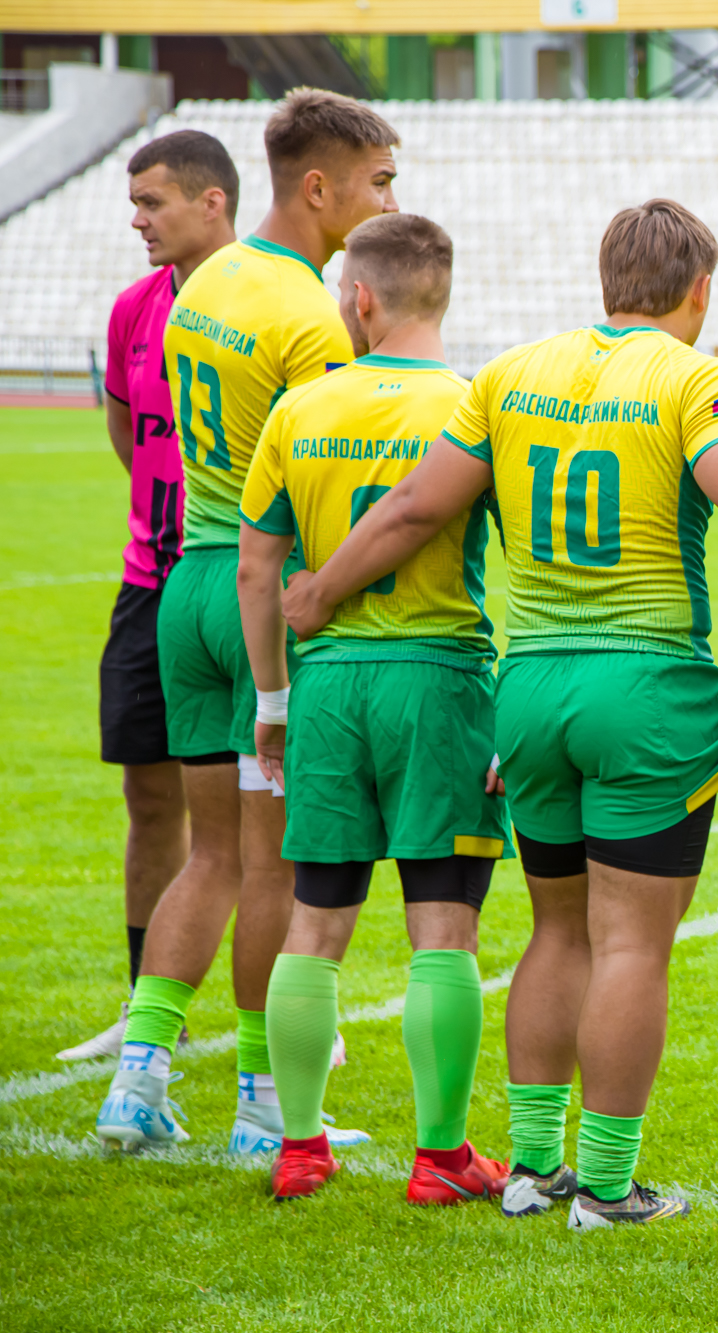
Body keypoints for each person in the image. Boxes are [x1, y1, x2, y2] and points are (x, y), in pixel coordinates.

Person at [282, 198, 718, 1232]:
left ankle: (531, 1166)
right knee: (632, 944)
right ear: (700, 291)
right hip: (642, 690)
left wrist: (321, 591)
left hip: (529, 691)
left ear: (606, 277)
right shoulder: (698, 381)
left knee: (556, 932)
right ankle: (605, 1184)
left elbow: (415, 506)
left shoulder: (508, 374)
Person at [95, 88, 399, 1156]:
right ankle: (264, 1106)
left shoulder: (203, 283)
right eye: (379, 182)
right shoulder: (311, 316)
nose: (388, 202)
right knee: (272, 865)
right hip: (262, 590)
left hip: (186, 582)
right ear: (318, 187)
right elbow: (327, 476)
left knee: (210, 855)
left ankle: (137, 1079)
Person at [236, 213, 513, 1203]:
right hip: (438, 680)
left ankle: (299, 1147)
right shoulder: (475, 404)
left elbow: (257, 568)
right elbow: (527, 559)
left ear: (359, 297)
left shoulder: (300, 407)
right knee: (443, 930)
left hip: (329, 686)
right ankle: (440, 1159)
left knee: (314, 925)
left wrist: (274, 699)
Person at [61, 131, 238, 1063]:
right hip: (150, 583)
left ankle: (293, 1010)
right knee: (150, 795)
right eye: (134, 203)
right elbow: (129, 436)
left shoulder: (265, 300)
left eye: (152, 202)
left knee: (268, 804)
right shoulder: (134, 308)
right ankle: (147, 1005)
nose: (137, 220)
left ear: (213, 202)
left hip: (241, 584)